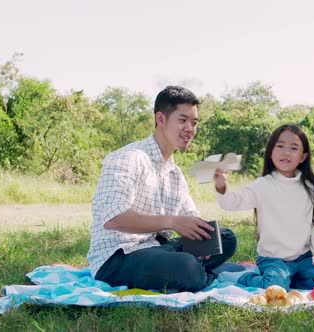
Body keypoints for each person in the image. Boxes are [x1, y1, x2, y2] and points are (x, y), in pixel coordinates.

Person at [87, 86, 237, 292]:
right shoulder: (128, 158)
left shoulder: (174, 172)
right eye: (183, 120)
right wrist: (172, 222)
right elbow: (114, 219)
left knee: (225, 238)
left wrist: (201, 239)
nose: (190, 129)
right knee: (188, 268)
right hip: (119, 256)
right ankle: (198, 275)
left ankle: (190, 270)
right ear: (161, 119)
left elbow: (190, 217)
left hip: (158, 248)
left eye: (194, 123)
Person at [215, 124, 314, 290]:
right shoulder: (263, 185)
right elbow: (231, 203)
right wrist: (221, 185)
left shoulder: (311, 188)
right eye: (280, 146)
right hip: (273, 259)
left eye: (294, 148)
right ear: (271, 152)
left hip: (304, 258)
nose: (286, 152)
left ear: (303, 156)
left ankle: (292, 279)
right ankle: (242, 277)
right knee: (274, 285)